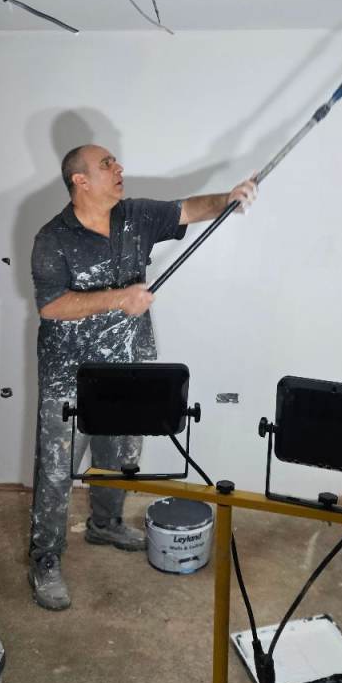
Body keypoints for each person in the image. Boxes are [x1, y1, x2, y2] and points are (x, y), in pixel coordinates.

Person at [28, 143, 257, 610]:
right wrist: (120, 298)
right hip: (68, 376)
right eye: (106, 164)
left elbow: (187, 209)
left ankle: (105, 524)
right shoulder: (52, 237)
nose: (119, 168)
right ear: (80, 181)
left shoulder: (135, 216)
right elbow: (51, 306)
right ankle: (45, 558)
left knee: (119, 455)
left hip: (127, 366)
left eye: (115, 161)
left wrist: (228, 199)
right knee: (55, 471)